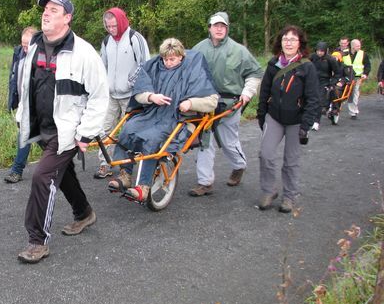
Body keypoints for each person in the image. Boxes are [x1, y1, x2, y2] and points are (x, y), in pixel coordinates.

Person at [15, 0, 108, 264]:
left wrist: (85, 133)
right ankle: (84, 213)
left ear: (67, 18)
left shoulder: (84, 53)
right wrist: (23, 116)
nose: (46, 14)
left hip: (67, 131)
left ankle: (37, 241)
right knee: (61, 173)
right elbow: (26, 86)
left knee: (42, 177)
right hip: (42, 126)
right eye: (45, 10)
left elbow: (100, 96)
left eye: (53, 10)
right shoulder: (34, 46)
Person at [106, 38, 218, 202]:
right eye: (165, 59)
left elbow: (212, 101)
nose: (168, 62)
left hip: (176, 119)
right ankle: (125, 175)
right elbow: (139, 93)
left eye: (172, 59)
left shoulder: (194, 69)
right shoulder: (153, 67)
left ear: (181, 56)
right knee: (128, 129)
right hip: (153, 114)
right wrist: (151, 96)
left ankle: (143, 187)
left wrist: (190, 103)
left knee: (153, 138)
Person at [189, 12, 263, 196]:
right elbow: (186, 71)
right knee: (205, 142)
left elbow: (255, 73)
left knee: (228, 142)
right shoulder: (198, 49)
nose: (219, 29)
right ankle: (205, 182)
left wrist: (247, 93)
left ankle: (239, 166)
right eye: (216, 25)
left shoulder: (239, 50)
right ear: (209, 28)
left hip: (230, 104)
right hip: (205, 103)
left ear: (227, 28)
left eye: (223, 26)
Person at [256, 25, 319, 213]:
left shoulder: (307, 66)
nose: (288, 42)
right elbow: (264, 92)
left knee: (291, 160)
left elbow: (313, 98)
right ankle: (269, 191)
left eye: (293, 39)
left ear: (300, 43)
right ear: (280, 42)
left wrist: (306, 124)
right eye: (285, 39)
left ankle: (290, 196)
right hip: (274, 116)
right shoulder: (273, 64)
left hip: (296, 120)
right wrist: (262, 115)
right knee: (265, 154)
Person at [94, 7, 149, 179]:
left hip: (130, 96)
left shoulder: (135, 38)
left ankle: (127, 166)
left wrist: (130, 82)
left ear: (121, 21)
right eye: (108, 26)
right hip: (111, 95)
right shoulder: (106, 41)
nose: (111, 29)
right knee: (104, 129)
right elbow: (102, 66)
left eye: (114, 26)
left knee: (128, 132)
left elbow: (145, 64)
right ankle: (105, 163)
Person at [4, 26, 38, 183]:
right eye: (23, 43)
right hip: (24, 103)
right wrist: (14, 99)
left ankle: (17, 170)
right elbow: (14, 76)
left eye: (27, 44)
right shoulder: (18, 53)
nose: (25, 47)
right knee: (26, 135)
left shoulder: (41, 56)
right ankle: (17, 170)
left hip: (38, 105)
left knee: (35, 137)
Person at [310, 41, 342, 130]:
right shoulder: (312, 57)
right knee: (310, 101)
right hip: (312, 81)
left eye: (321, 51)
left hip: (324, 82)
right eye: (318, 51)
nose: (319, 53)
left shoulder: (330, 59)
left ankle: (316, 122)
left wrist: (332, 82)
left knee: (319, 101)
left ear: (325, 51)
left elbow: (337, 73)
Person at [344, 38, 371, 119]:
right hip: (346, 77)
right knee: (347, 94)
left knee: (355, 93)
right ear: (352, 46)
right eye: (357, 46)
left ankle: (353, 112)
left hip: (357, 77)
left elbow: (368, 65)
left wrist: (365, 74)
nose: (359, 47)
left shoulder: (363, 54)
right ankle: (334, 109)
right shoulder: (344, 53)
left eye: (359, 45)